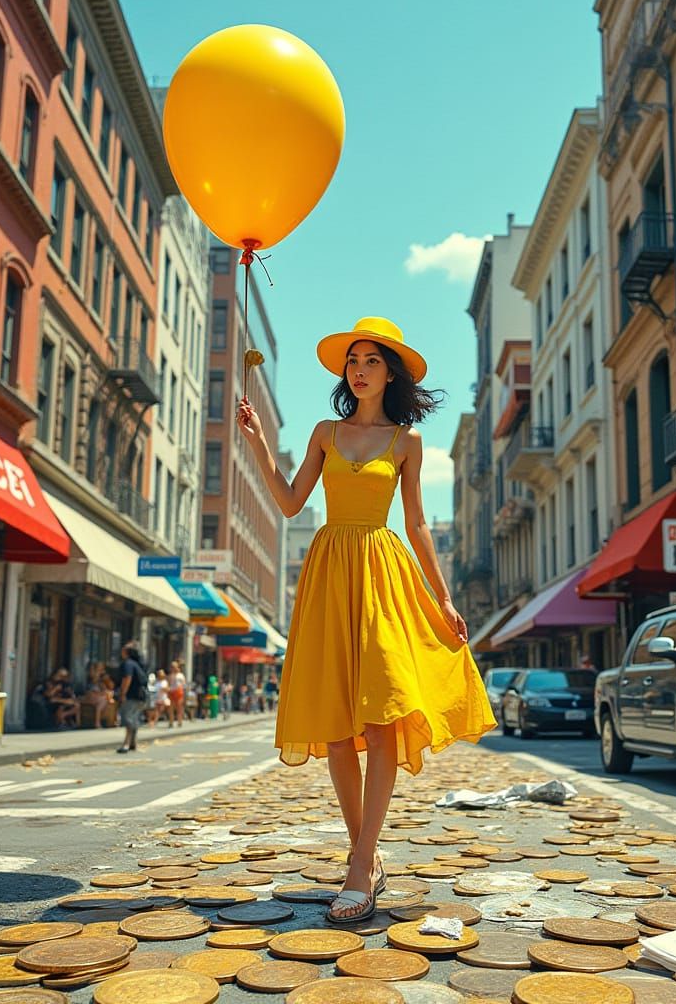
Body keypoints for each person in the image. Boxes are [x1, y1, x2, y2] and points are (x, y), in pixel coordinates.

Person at [236, 316, 495, 923]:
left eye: (371, 360)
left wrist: (444, 596)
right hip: (329, 573)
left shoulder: (407, 442)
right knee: (334, 730)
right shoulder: (325, 432)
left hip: (381, 572)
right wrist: (255, 441)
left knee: (381, 720)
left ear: (390, 372)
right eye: (353, 360)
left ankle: (360, 861)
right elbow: (289, 502)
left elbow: (419, 524)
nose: (358, 369)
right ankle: (366, 855)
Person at [116, 643, 147, 753]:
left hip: (132, 695)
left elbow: (127, 678)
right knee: (134, 719)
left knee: (128, 718)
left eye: (123, 649)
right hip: (141, 696)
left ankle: (126, 743)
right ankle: (133, 742)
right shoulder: (137, 664)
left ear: (127, 652)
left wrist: (122, 694)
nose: (121, 650)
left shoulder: (128, 664)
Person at [82, 662, 115, 728]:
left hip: (98, 695)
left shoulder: (103, 676)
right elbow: (94, 684)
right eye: (100, 666)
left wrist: (105, 680)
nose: (101, 668)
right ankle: (97, 722)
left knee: (106, 698)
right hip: (91, 695)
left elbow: (109, 687)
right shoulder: (93, 674)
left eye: (102, 667)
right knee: (103, 700)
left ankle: (99, 722)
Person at [167, 661, 186, 727]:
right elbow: (168, 684)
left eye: (174, 667)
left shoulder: (180, 675)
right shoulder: (170, 675)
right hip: (171, 692)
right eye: (172, 667)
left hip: (179, 692)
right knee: (170, 708)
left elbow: (183, 684)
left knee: (179, 708)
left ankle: (179, 721)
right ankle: (171, 722)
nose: (173, 668)